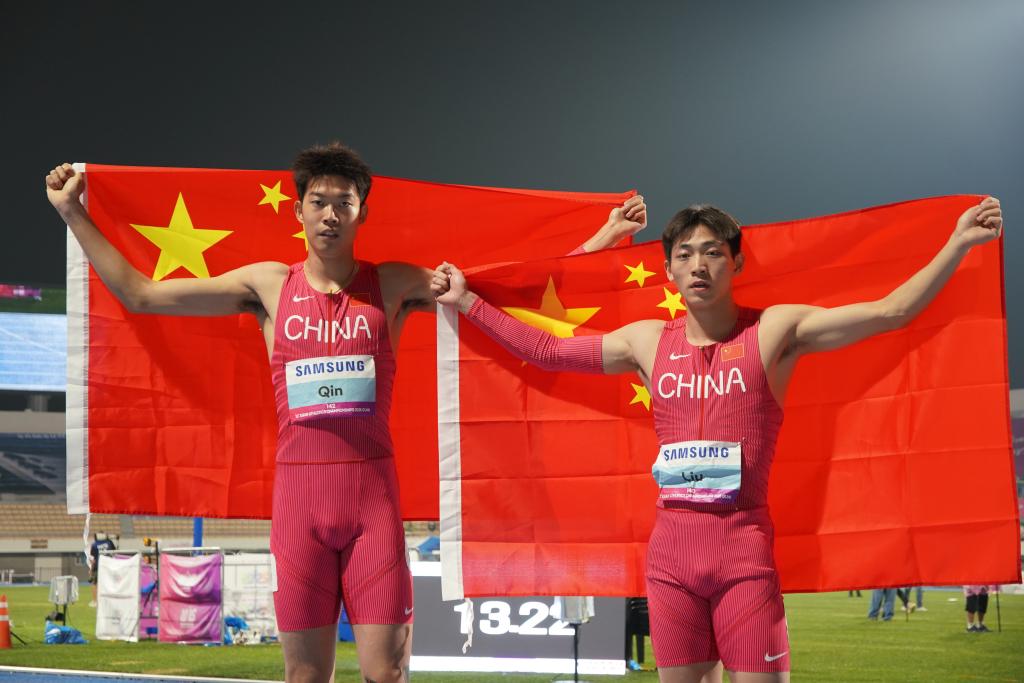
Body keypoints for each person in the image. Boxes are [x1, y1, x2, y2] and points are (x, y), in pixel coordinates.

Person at [45, 146, 646, 683]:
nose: (330, 214)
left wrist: (605, 237)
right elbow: (141, 294)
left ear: (362, 213)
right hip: (298, 507)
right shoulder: (268, 285)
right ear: (298, 212)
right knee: (306, 675)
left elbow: (506, 292)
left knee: (386, 672)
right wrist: (73, 212)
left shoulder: (392, 284)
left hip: (372, 506)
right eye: (318, 202)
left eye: (343, 203)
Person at [432, 198, 1003, 683]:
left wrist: (957, 244)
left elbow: (892, 311)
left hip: (744, 554)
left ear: (736, 262)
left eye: (711, 252)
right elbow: (547, 350)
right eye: (684, 255)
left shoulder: (773, 330)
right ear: (668, 272)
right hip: (671, 559)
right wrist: (467, 302)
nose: (698, 265)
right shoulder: (647, 341)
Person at [88, 532, 116, 607]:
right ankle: (110, 601)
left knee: (94, 583)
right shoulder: (109, 542)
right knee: (110, 583)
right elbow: (114, 552)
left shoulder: (94, 545)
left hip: (98, 566)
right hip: (109, 566)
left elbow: (93, 559)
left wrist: (91, 569)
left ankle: (95, 601)